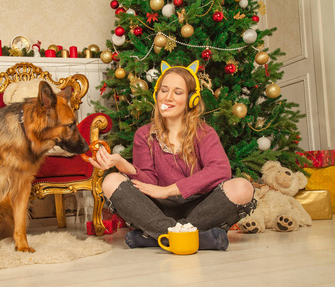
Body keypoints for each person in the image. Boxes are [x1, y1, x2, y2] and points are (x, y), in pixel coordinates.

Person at [89, 61, 257, 250]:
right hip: (158, 209)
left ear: (191, 99)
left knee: (242, 187)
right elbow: (149, 182)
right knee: (111, 180)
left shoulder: (204, 132)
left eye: (177, 92)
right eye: (163, 90)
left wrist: (170, 189)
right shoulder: (144, 135)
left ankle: (156, 237)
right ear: (156, 94)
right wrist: (122, 165)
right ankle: (194, 238)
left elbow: (220, 170)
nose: (167, 98)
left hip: (199, 207)